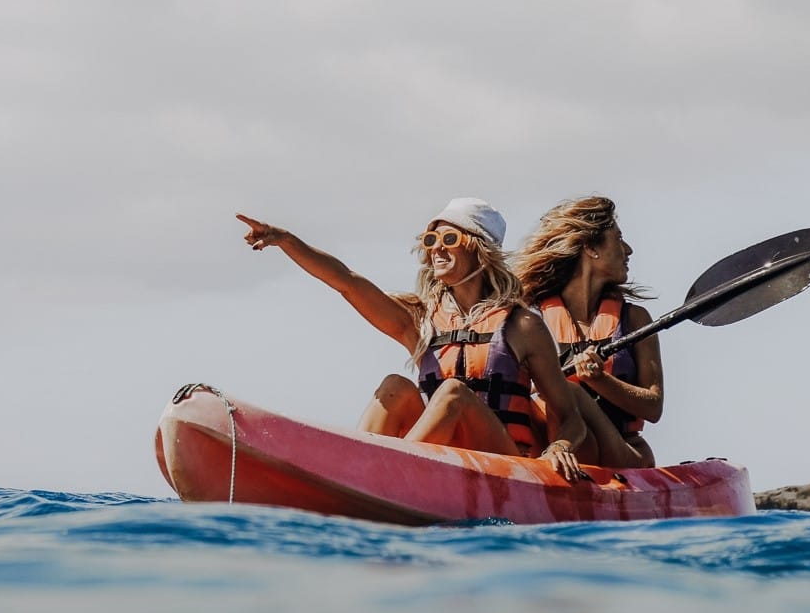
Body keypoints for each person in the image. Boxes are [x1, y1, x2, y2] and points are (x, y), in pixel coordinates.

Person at [237, 198, 587, 482]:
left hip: (504, 463)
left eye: (450, 239)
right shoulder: (421, 320)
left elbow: (569, 415)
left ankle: (381, 477)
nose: (436, 249)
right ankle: (357, 468)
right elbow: (347, 282)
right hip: (441, 460)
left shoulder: (522, 325)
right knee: (395, 386)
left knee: (453, 393)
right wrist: (286, 241)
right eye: (431, 240)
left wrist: (560, 445)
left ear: (480, 251)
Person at [513, 196, 663, 468]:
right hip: (555, 449)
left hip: (623, 454)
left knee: (571, 392)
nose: (628, 249)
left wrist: (599, 379)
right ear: (591, 248)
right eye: (618, 239)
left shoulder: (635, 319)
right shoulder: (532, 322)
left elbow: (653, 407)